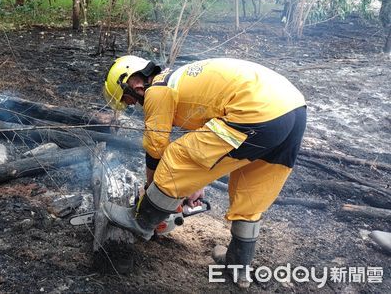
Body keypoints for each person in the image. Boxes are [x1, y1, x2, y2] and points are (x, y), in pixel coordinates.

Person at [102, 56, 306, 287]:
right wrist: (196, 182)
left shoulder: (158, 89)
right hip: (293, 111)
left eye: (129, 101)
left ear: (134, 84)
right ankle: (239, 266)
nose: (134, 106)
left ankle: (141, 221)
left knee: (176, 157)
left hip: (255, 112)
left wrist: (152, 191)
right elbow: (211, 140)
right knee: (252, 188)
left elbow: (156, 146)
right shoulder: (186, 83)